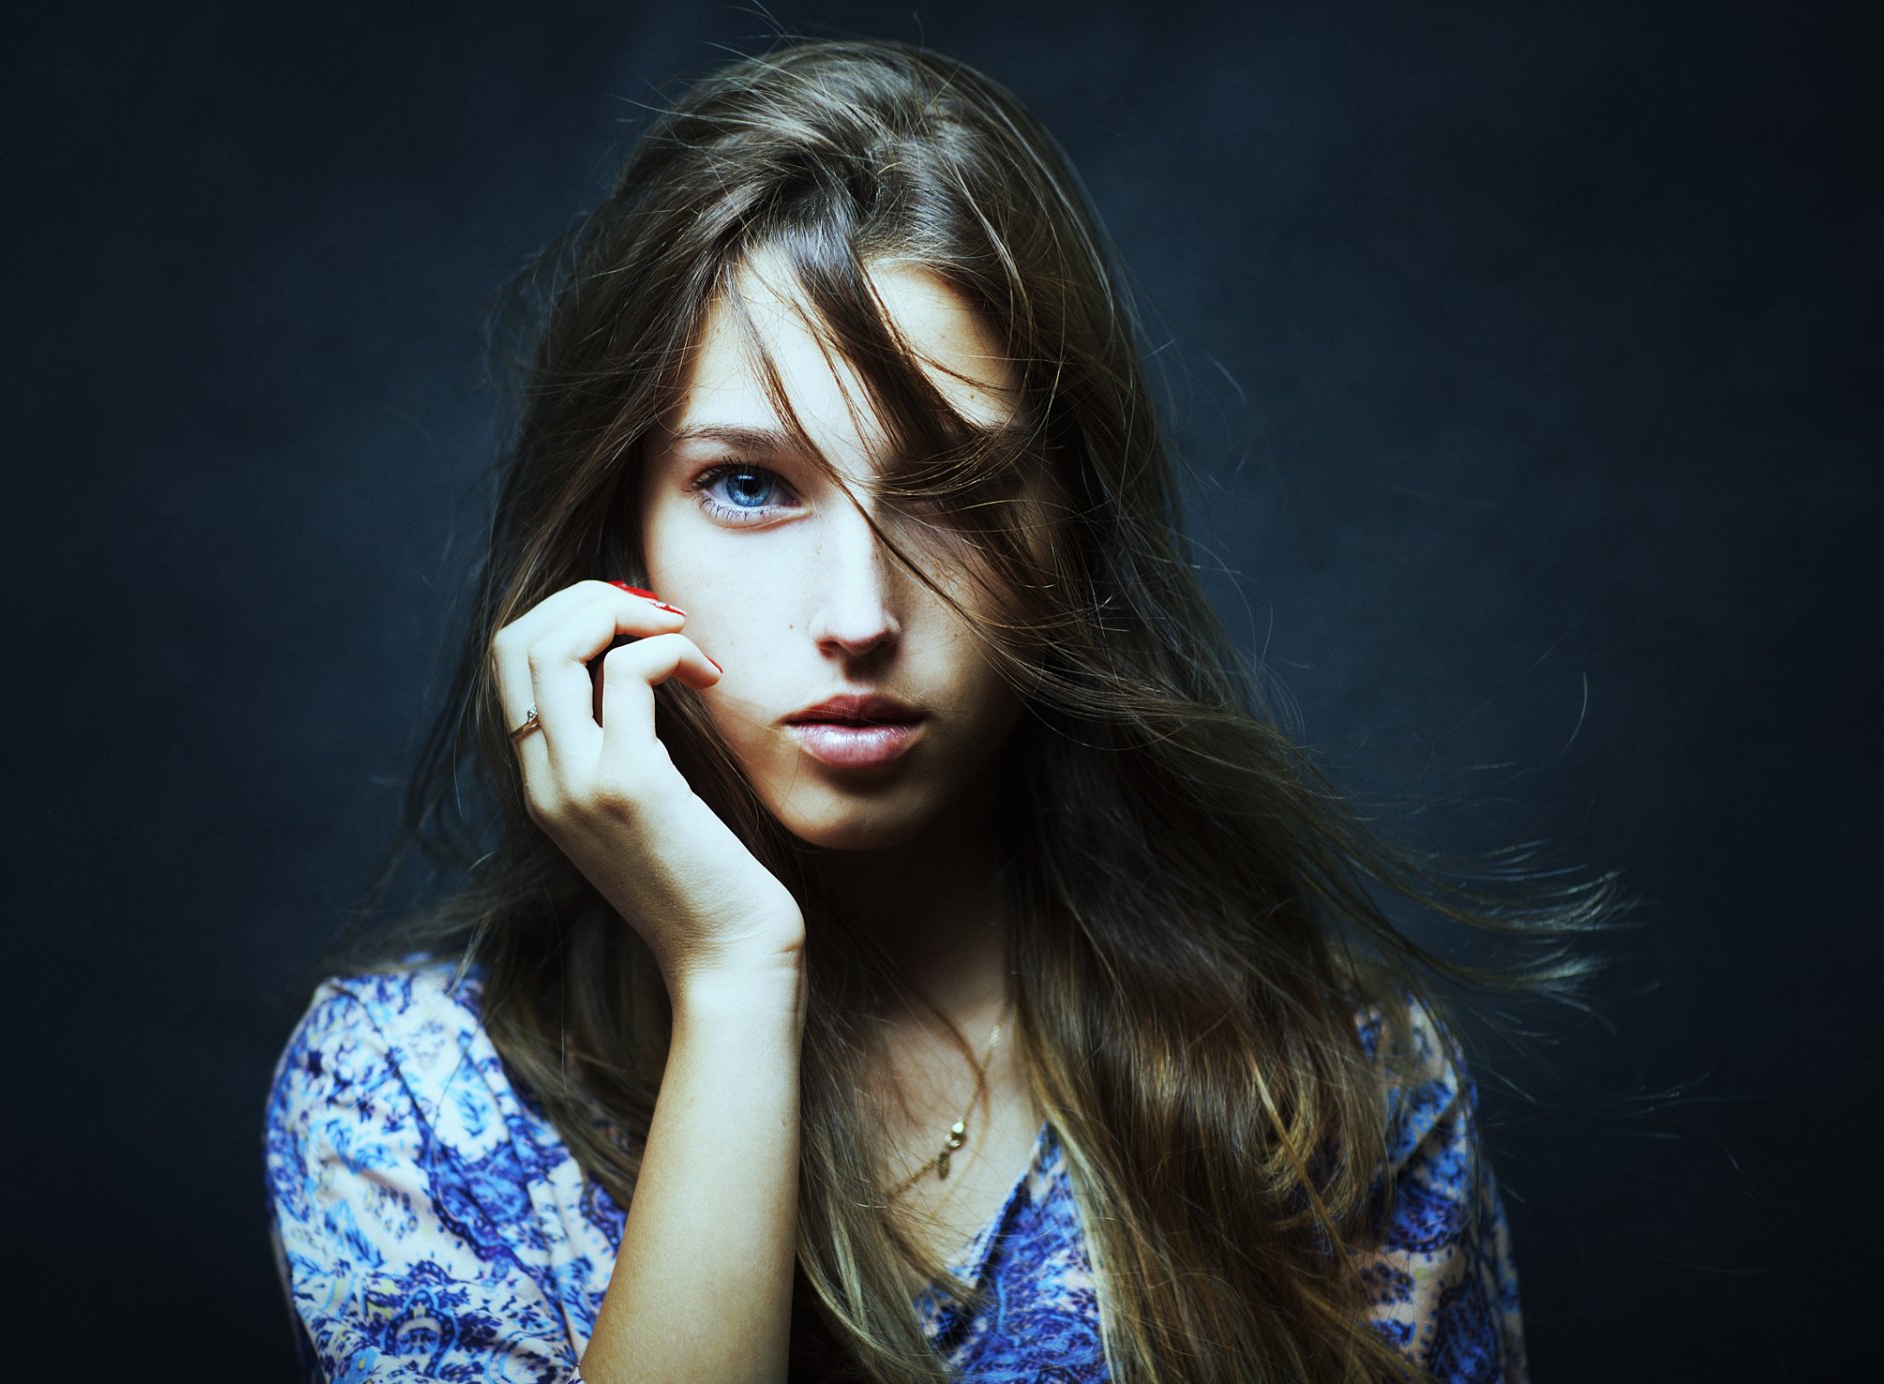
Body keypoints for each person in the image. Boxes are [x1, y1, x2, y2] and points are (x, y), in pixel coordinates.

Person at [262, 36, 1616, 1384]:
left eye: (958, 495)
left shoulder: (1336, 1090)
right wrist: (736, 981)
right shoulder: (412, 1098)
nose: (858, 612)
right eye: (749, 485)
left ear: (1068, 535)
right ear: (623, 540)